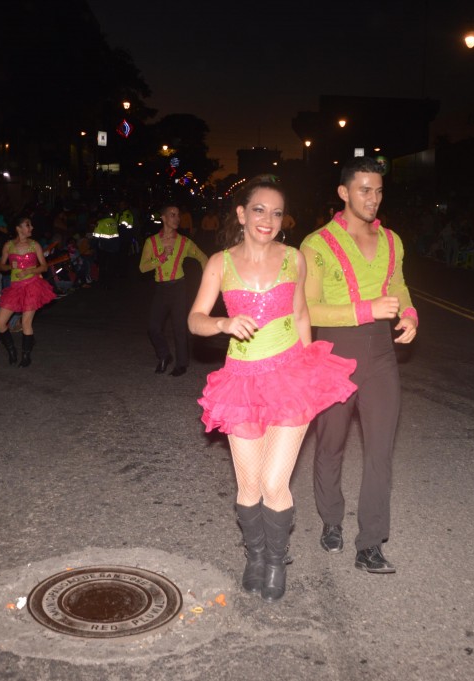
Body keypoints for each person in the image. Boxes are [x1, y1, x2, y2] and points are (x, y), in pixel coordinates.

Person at [189, 175, 357, 602]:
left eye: (277, 212)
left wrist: (308, 369)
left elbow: (301, 314)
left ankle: (277, 561)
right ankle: (255, 556)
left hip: (289, 376)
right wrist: (223, 323)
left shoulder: (293, 258)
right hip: (241, 382)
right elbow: (195, 319)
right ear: (242, 215)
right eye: (259, 210)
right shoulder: (219, 264)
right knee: (248, 486)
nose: (268, 219)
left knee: (274, 482)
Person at [300, 157, 418, 575]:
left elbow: (398, 285)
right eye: (364, 189)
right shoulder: (315, 245)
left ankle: (370, 543)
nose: (373, 198)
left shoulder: (392, 240)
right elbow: (309, 310)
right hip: (334, 353)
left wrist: (409, 314)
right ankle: (331, 519)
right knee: (331, 443)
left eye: (379, 190)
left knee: (380, 450)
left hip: (381, 354)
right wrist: (366, 309)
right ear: (344, 192)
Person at [139, 203, 208, 376]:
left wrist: (208, 281)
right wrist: (161, 258)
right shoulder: (152, 242)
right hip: (161, 288)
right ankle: (164, 355)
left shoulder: (184, 242)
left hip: (179, 287)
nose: (177, 218)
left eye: (178, 215)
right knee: (153, 327)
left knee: (179, 327)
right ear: (163, 218)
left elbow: (202, 257)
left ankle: (181, 364)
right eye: (172, 214)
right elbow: (143, 267)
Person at [0, 215, 55, 367]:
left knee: (26, 322)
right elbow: (1, 266)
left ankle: (26, 356)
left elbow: (44, 267)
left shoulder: (34, 245)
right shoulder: (8, 246)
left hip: (32, 286)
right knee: (0, 322)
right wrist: (11, 267)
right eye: (28, 225)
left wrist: (30, 270)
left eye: (30, 225)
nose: (31, 228)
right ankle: (11, 350)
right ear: (18, 228)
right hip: (15, 287)